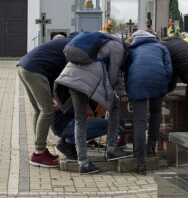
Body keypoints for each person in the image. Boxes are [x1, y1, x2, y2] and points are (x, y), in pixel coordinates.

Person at [55, 32, 131, 175]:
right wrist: (121, 95)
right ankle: (112, 149)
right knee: (115, 106)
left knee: (80, 119)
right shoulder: (118, 47)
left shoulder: (101, 41)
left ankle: (83, 163)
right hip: (88, 77)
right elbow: (114, 74)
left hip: (70, 78)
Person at [17, 32, 78, 168]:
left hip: (24, 67)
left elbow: (54, 74)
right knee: (47, 110)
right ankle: (39, 153)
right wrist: (55, 98)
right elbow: (64, 77)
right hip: (34, 71)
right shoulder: (72, 48)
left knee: (39, 110)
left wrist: (52, 96)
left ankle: (41, 149)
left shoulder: (63, 44)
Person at [124, 30, 172, 175]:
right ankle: (151, 149)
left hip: (137, 81)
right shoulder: (162, 48)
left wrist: (128, 87)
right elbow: (169, 70)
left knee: (139, 120)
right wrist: (163, 82)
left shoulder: (132, 49)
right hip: (158, 79)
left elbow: (126, 70)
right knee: (156, 113)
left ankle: (140, 162)